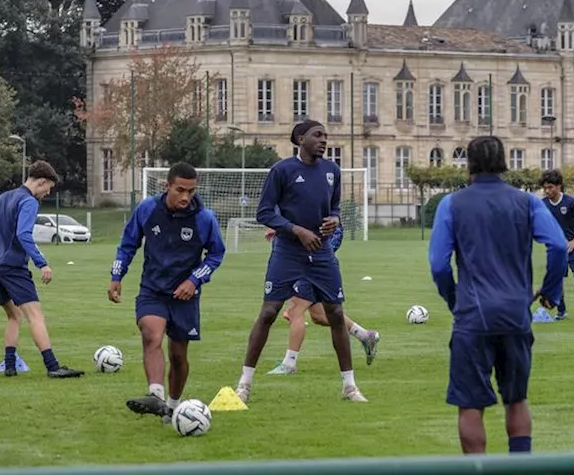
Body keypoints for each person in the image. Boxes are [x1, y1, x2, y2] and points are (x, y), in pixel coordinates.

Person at [428, 136, 568, 475]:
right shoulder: (526, 202)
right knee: (517, 399)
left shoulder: (451, 204)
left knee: (470, 404)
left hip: (473, 317)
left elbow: (439, 264)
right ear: (505, 162)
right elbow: (557, 247)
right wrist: (549, 291)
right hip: (515, 314)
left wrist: (453, 298)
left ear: (468, 165)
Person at [234, 120, 365, 404]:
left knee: (336, 313)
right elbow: (265, 213)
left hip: (321, 253)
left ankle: (349, 387)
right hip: (288, 252)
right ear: (300, 138)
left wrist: (334, 220)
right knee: (269, 312)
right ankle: (244, 384)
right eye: (317, 135)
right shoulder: (282, 171)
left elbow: (334, 208)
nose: (324, 140)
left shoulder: (332, 171)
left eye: (326, 136)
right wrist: (297, 230)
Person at [111, 162, 226, 420]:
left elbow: (217, 253)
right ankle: (156, 395)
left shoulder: (204, 218)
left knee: (178, 355)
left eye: (191, 191)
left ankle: (172, 406)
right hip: (152, 289)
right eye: (180, 190)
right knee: (151, 335)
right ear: (167, 186)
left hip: (184, 297)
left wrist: (194, 281)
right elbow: (127, 244)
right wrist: (117, 275)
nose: (186, 196)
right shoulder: (147, 209)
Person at [0, 160, 82, 378]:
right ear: (41, 182)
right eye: (48, 188)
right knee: (35, 316)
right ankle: (53, 366)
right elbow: (23, 235)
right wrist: (42, 263)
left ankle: (10, 366)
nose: (47, 192)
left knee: (14, 316)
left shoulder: (2, 198)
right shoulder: (28, 201)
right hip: (12, 267)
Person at [264, 221, 381, 375]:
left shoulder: (320, 206)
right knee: (319, 316)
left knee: (295, 310)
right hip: (302, 254)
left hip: (315, 257)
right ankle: (365, 335)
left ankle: (289, 364)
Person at [539, 169, 574, 321]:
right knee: (558, 280)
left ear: (559, 186)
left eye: (550, 187)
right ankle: (561, 311)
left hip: (573, 247)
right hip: (556, 249)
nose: (547, 190)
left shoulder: (569, 202)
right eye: (545, 188)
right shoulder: (542, 204)